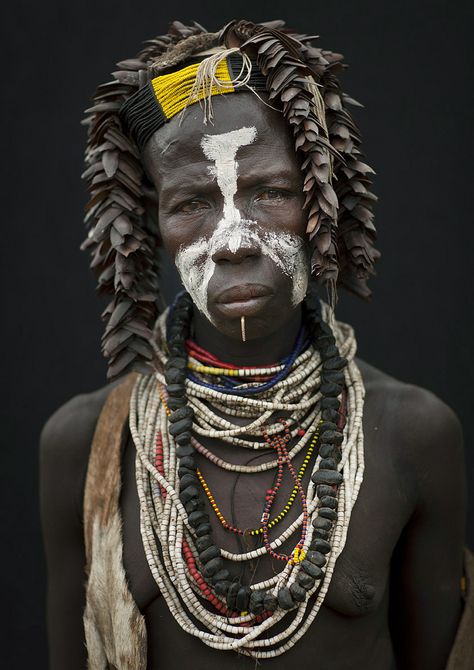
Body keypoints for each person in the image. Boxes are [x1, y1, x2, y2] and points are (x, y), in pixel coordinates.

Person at [40, 19, 472, 670]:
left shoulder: (413, 434)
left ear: (323, 202)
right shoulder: (85, 447)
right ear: (151, 225)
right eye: (191, 203)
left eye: (269, 192)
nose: (235, 240)